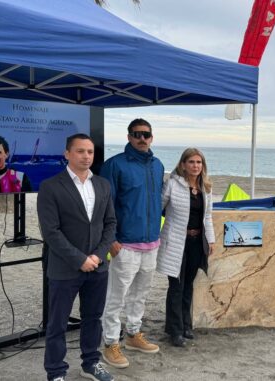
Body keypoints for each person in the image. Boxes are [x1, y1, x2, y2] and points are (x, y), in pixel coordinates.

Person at [37, 134, 117, 381]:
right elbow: (50, 231)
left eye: (90, 152)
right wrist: (79, 259)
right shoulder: (51, 186)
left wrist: (97, 254)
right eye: (80, 151)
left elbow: (110, 223)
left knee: (93, 318)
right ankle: (55, 372)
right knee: (57, 323)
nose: (86, 156)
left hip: (98, 267)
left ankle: (90, 363)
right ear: (67, 154)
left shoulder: (102, 185)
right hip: (64, 268)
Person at [100, 118, 163, 369]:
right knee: (116, 296)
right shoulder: (114, 165)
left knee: (141, 293)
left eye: (146, 134)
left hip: (151, 243)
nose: (142, 138)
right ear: (128, 137)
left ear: (151, 137)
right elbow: (105, 205)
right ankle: (110, 343)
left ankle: (133, 334)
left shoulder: (157, 165)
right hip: (124, 245)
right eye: (136, 134)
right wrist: (111, 240)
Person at [156, 148, 215, 347]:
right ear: (183, 164)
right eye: (191, 162)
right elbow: (159, 208)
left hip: (197, 243)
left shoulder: (206, 187)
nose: (195, 166)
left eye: (199, 162)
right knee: (176, 286)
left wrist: (211, 239)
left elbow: (207, 216)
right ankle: (174, 330)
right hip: (175, 243)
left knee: (188, 285)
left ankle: (186, 325)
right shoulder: (172, 184)